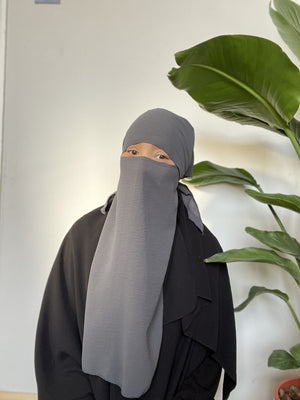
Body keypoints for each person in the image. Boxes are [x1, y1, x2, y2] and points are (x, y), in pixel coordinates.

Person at [35, 108, 236, 400]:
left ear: (180, 168)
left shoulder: (204, 250)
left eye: (160, 157)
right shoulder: (82, 237)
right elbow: (58, 342)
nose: (142, 164)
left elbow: (206, 356)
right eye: (132, 152)